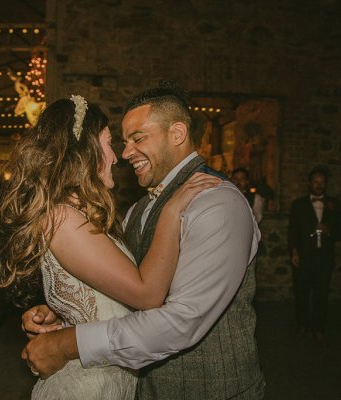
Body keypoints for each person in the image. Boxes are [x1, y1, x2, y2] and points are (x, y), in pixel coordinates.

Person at [21, 86, 265, 400]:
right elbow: (121, 283)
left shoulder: (216, 204)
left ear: (176, 133)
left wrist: (69, 341)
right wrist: (71, 306)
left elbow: (180, 322)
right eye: (120, 142)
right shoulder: (138, 208)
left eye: (138, 138)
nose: (124, 153)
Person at [288, 167, 341, 342]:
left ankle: (319, 328)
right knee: (301, 293)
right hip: (304, 256)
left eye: (322, 182)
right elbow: (292, 231)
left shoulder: (334, 204)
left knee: (321, 294)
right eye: (316, 181)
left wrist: (330, 230)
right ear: (309, 184)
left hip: (324, 258)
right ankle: (302, 325)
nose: (319, 185)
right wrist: (293, 251)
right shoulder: (298, 204)